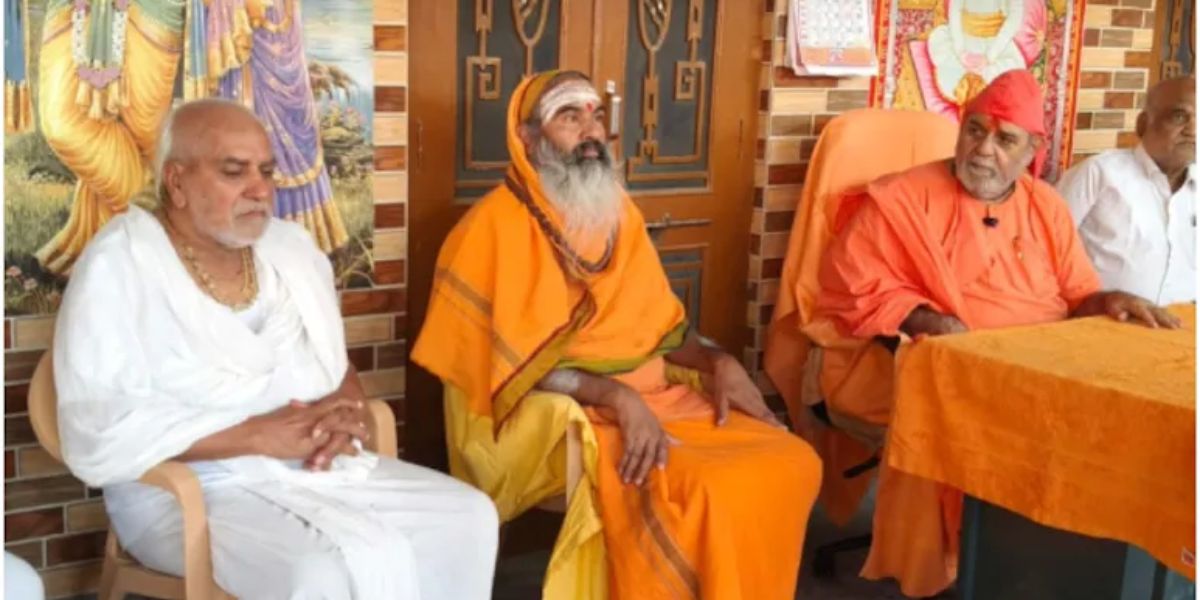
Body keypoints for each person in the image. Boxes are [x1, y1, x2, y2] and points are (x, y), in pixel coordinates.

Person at [53, 99, 498, 599]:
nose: (259, 189)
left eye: (266, 171)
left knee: (468, 516)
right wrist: (259, 436)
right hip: (186, 488)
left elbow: (334, 361)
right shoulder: (120, 264)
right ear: (176, 182)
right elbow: (102, 424)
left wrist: (343, 414)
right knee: (322, 570)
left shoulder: (289, 250)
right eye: (234, 171)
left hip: (311, 465)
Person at [413, 70, 822, 599]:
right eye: (569, 118)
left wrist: (718, 362)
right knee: (700, 489)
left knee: (791, 460)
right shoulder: (488, 230)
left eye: (596, 116)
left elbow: (662, 328)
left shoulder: (618, 213)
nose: (591, 132)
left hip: (656, 394)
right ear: (528, 139)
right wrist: (616, 397)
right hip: (566, 411)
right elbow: (507, 369)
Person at [775, 70, 1178, 598]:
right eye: (974, 130)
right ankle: (981, 566)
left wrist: (1109, 300)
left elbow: (1079, 296)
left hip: (1035, 369)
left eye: (1005, 139)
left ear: (1031, 151)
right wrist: (928, 320)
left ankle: (1048, 563)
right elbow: (849, 289)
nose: (984, 149)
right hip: (910, 365)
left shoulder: (1045, 207)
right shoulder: (900, 199)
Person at [1058, 76, 1196, 305]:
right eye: (1179, 116)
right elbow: (1044, 250)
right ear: (1143, 124)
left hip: (1184, 323)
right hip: (1102, 320)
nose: (1192, 130)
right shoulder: (1098, 173)